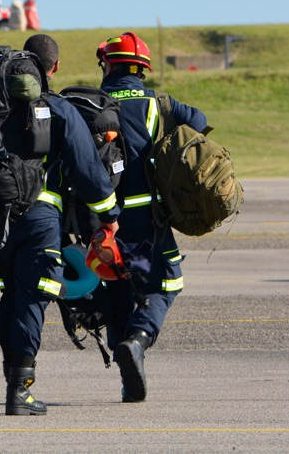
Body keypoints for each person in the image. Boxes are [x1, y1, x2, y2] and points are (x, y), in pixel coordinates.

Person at [0, 48, 120, 415]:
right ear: (51, 69)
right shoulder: (57, 109)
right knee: (34, 296)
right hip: (38, 221)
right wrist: (107, 215)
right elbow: (86, 167)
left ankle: (13, 381)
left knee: (12, 297)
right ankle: (20, 390)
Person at [95, 31, 207, 402]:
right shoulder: (156, 102)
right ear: (141, 68)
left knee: (116, 289)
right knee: (167, 284)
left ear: (108, 64)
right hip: (148, 220)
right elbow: (200, 120)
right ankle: (139, 340)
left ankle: (128, 378)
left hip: (103, 219)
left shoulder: (93, 103)